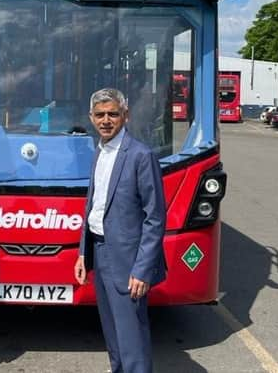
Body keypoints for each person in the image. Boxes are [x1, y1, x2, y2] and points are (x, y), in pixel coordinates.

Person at [74, 88, 166, 373]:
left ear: (125, 116)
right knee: (113, 335)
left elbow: (155, 217)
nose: (106, 120)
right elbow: (94, 207)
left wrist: (141, 269)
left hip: (128, 263)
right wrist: (82, 254)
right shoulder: (99, 152)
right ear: (91, 118)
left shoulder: (140, 155)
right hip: (100, 254)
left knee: (132, 339)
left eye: (113, 114)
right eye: (99, 115)